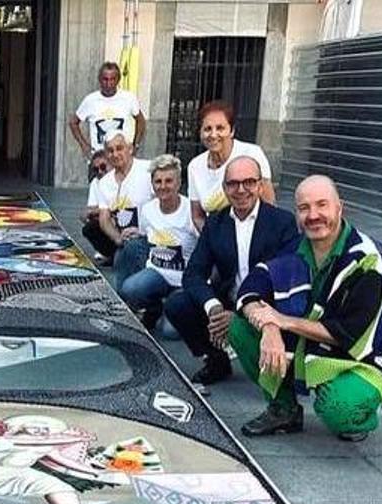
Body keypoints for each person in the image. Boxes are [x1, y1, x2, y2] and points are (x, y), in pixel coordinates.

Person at [230, 175, 382, 442]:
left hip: (366, 357)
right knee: (241, 326)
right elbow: (252, 285)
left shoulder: (369, 262)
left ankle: (357, 411)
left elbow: (349, 334)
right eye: (304, 208)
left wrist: (283, 321)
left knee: (339, 410)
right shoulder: (295, 248)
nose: (313, 215)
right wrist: (268, 326)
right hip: (312, 344)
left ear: (339, 207)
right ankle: (283, 409)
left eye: (322, 205)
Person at [163, 156, 300, 386]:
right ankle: (217, 360)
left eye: (249, 182)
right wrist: (214, 308)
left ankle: (275, 365)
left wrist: (241, 315)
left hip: (266, 305)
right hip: (227, 299)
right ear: (225, 188)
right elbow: (194, 274)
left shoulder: (282, 222)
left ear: (260, 185)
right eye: (233, 183)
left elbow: (287, 281)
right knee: (177, 305)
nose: (241, 190)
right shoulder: (215, 223)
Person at [117, 154, 198, 333]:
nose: (163, 186)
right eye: (158, 181)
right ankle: (153, 307)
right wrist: (134, 233)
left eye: (169, 181)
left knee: (169, 332)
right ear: (152, 184)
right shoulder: (148, 210)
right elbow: (147, 236)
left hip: (183, 281)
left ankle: (175, 306)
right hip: (157, 272)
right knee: (130, 289)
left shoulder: (191, 211)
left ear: (178, 183)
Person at [187, 100, 276, 229]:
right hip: (215, 236)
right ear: (200, 133)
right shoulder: (195, 166)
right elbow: (197, 216)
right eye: (207, 129)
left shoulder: (252, 153)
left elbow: (269, 205)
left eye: (220, 128)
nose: (213, 135)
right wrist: (212, 239)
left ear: (232, 131)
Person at [95, 133, 153, 297]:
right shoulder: (105, 182)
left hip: (151, 237)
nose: (115, 154)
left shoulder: (148, 170)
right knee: (124, 251)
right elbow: (104, 219)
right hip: (125, 240)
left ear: (130, 149)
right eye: (110, 151)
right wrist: (117, 238)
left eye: (119, 148)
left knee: (128, 252)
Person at [68, 62, 146, 163]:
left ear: (118, 80)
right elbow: (73, 122)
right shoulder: (90, 100)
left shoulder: (128, 98)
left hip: (122, 159)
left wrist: (136, 144)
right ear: (100, 80)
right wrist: (84, 145)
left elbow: (141, 121)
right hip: (100, 161)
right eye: (105, 79)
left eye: (112, 79)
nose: (109, 84)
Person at [79, 150, 113, 265]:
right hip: (106, 219)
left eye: (103, 167)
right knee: (88, 226)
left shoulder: (118, 180)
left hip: (120, 221)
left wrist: (100, 211)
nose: (100, 172)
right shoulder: (95, 182)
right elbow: (89, 210)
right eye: (96, 169)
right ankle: (109, 253)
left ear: (111, 164)